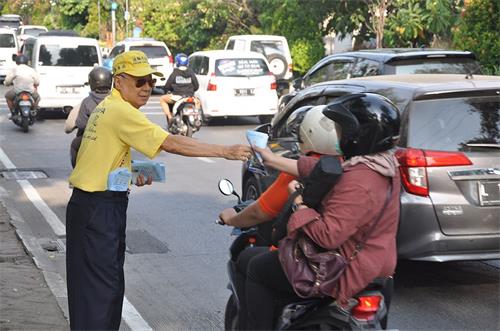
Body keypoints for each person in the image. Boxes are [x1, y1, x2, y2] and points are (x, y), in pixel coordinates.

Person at [65, 50, 252, 331]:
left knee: (99, 292)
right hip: (98, 211)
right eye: (139, 82)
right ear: (119, 81)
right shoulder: (120, 111)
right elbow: (171, 142)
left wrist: (129, 172)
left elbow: (95, 157)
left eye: (151, 82)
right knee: (101, 295)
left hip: (94, 207)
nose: (147, 88)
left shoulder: (105, 107)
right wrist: (225, 150)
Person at [223, 93, 401, 330]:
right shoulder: (382, 165)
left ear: (358, 134)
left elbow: (328, 235)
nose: (338, 134)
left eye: (341, 129)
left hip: (343, 267)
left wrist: (299, 203)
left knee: (254, 266)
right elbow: (320, 168)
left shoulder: (359, 181)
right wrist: (271, 159)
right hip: (377, 262)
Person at [219, 105, 341, 329]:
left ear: (308, 136)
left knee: (252, 264)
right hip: (357, 262)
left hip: (315, 259)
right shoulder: (358, 169)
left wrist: (232, 217)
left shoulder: (303, 170)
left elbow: (259, 211)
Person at [65, 66, 112, 168]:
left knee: (75, 144)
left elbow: (79, 125)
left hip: (91, 139)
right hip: (113, 140)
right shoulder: (117, 99)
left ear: (91, 82)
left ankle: (77, 172)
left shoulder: (86, 101)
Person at [160, 53, 200, 126]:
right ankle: (197, 118)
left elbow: (167, 86)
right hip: (189, 96)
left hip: (177, 97)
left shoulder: (175, 72)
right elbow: (196, 86)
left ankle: (170, 118)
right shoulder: (191, 72)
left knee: (162, 99)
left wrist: (166, 90)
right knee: (198, 102)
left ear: (177, 62)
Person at [4, 54, 40, 118]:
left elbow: (7, 81)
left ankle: (13, 112)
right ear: (26, 61)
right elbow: (37, 82)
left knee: (7, 97)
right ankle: (34, 110)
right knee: (37, 98)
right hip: (30, 91)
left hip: (17, 91)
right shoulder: (31, 70)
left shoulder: (15, 69)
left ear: (17, 62)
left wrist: (6, 83)